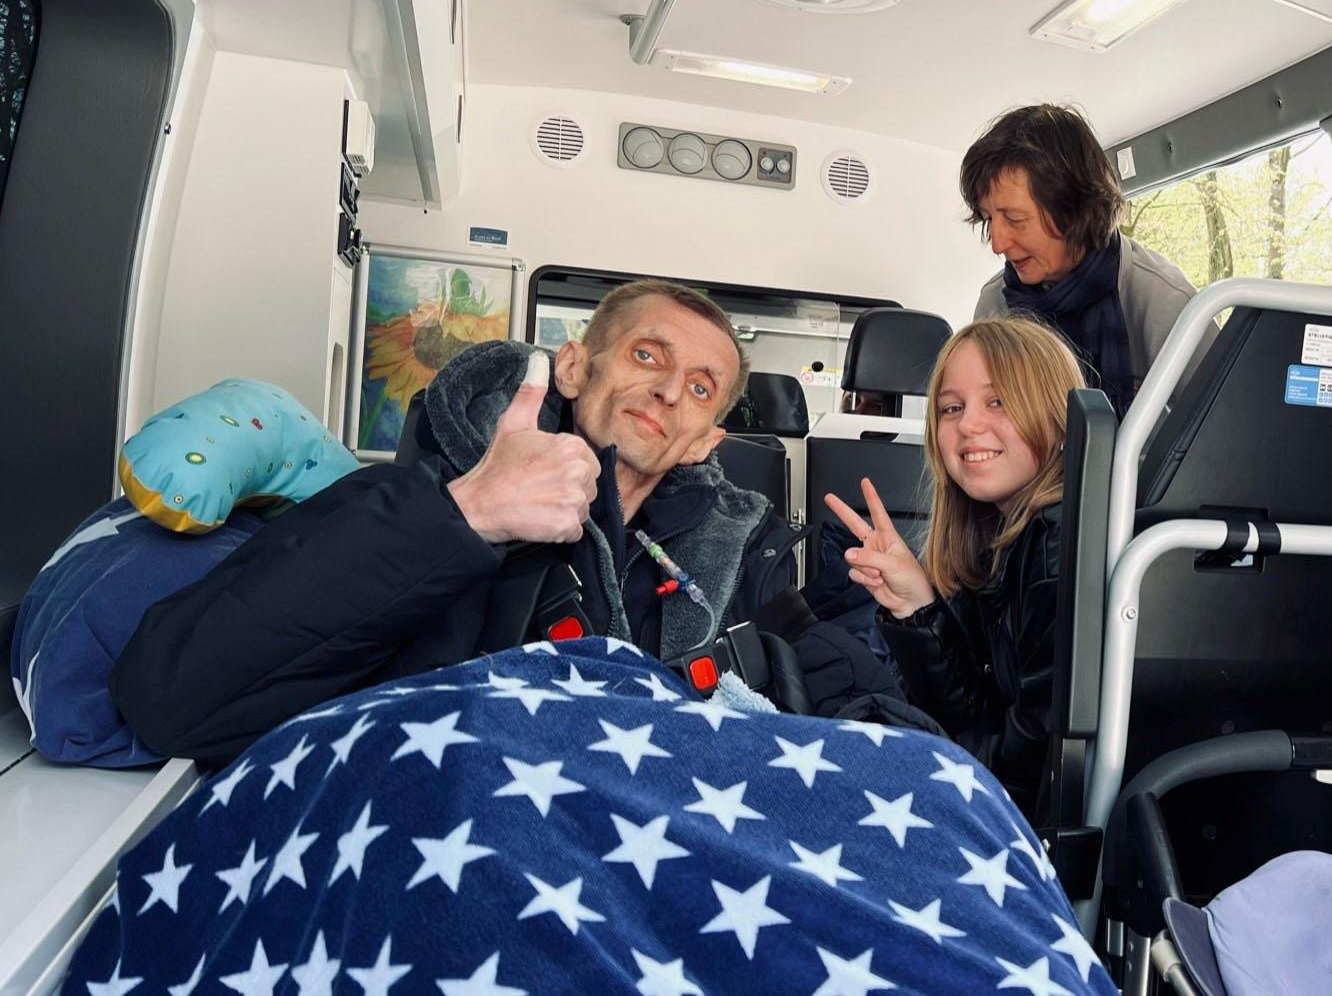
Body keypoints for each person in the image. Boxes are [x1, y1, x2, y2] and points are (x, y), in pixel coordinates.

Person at [112, 279, 898, 763]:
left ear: (706, 441)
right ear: (573, 366)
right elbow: (170, 698)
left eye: (700, 388)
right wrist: (470, 514)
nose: (668, 392)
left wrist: (905, 615)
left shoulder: (740, 563)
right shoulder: (422, 499)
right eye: (648, 356)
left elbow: (869, 724)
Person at [826, 317, 1087, 814]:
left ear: (1058, 416)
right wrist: (917, 606)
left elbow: (1028, 772)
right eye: (952, 408)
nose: (968, 425)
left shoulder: (1059, 548)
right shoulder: (1000, 539)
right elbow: (976, 718)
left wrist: (900, 764)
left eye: (998, 401)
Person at [963, 103, 1213, 415]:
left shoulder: (1165, 302)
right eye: (989, 219)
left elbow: (1227, 428)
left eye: (1015, 219)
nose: (998, 244)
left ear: (1075, 211)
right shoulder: (995, 304)